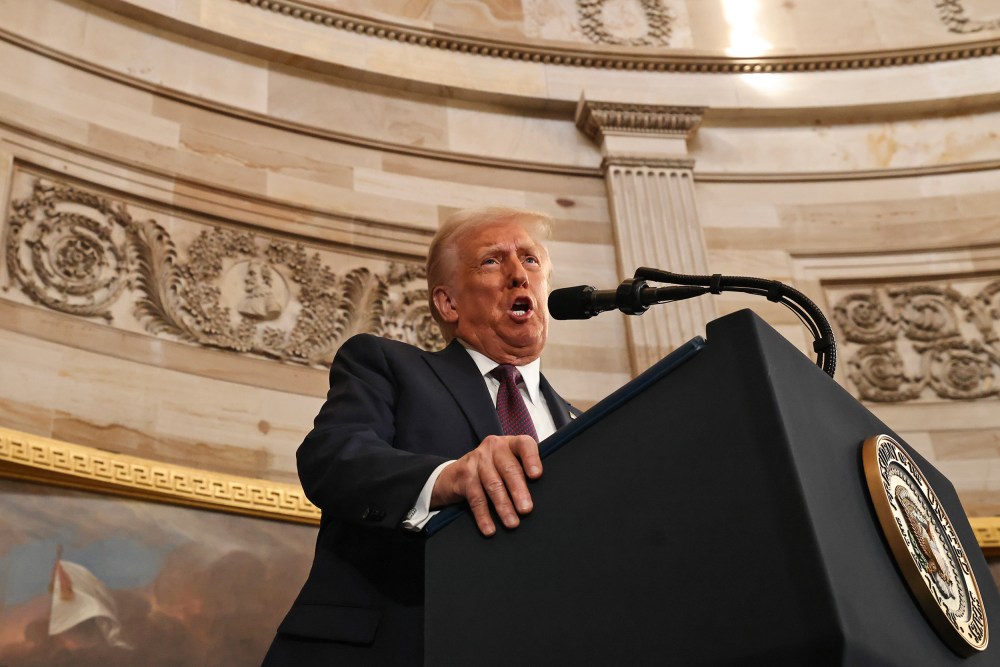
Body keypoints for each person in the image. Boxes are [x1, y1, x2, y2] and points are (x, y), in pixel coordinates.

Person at [262, 207, 577, 665]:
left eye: (530, 260)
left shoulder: (581, 423)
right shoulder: (387, 365)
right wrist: (447, 478)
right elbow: (332, 457)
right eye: (492, 261)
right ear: (447, 303)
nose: (517, 274)